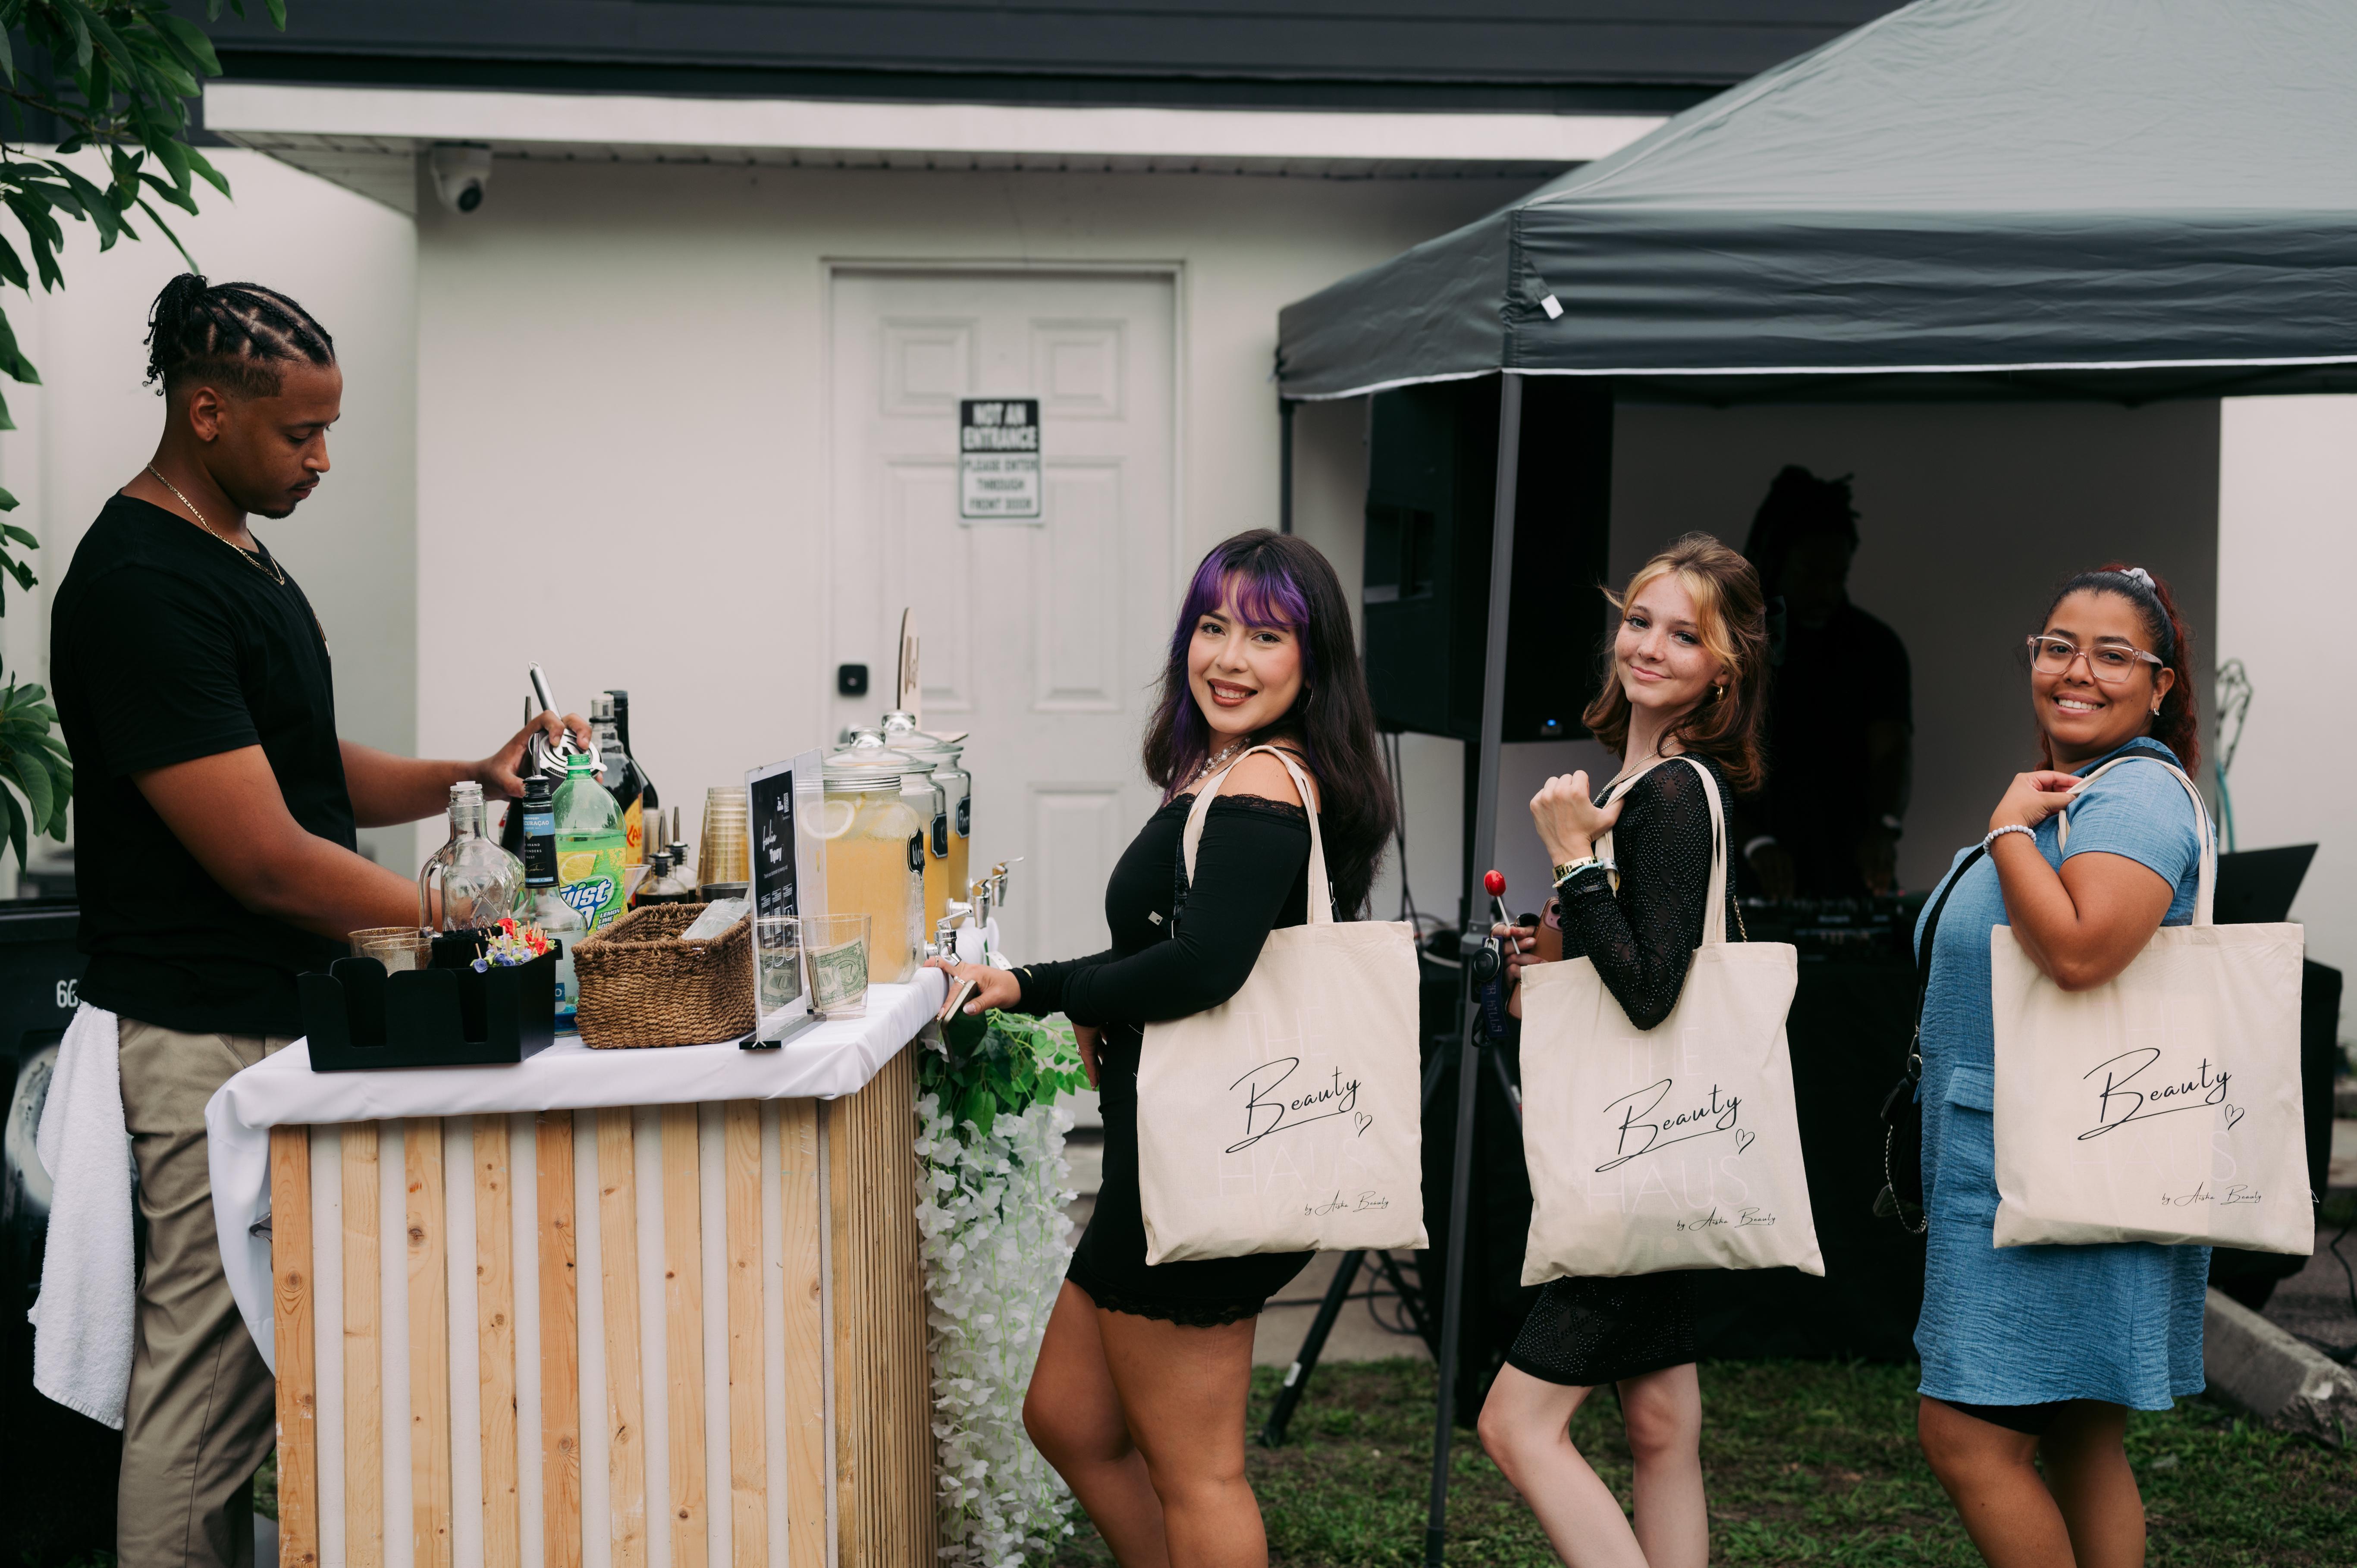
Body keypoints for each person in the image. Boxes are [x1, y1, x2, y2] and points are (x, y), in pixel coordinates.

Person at [49, 274, 584, 1568]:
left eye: (330, 429)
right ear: (208, 412)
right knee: (208, 1389)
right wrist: (477, 921)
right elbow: (269, 862)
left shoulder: (232, 550)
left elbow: (293, 767)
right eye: (302, 432)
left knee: (261, 1370)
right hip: (202, 1035)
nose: (324, 458)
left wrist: (470, 777)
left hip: (274, 1019)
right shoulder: (139, 583)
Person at [926, 530, 1393, 1568]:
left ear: (1311, 660)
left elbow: (1199, 968)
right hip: (1159, 1157)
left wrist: (1066, 995)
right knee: (1068, 1418)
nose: (1227, 658)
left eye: (1264, 636)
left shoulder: (1267, 787)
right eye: (1212, 627)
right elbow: (1162, 949)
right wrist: (1058, 989)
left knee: (1198, 1473)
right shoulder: (1223, 772)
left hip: (1204, 1164)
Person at [1480, 532, 1772, 1568]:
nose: (1647, 646)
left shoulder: (1672, 794)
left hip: (1637, 1163)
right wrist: (1552, 953)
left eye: (1683, 635)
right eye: (1638, 620)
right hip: (1666, 1152)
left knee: (1515, 1427)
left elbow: (1650, 992)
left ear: (1723, 668)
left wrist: (1573, 861)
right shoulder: (1638, 783)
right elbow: (1634, 963)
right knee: (1658, 1424)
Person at [1912, 564, 2206, 1568]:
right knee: (2080, 1433)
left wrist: (2002, 830)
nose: (2075, 670)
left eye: (2111, 654)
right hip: (2034, 1161)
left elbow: (2080, 951)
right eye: (2055, 647)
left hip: (2045, 1169)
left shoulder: (2131, 797)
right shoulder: (2077, 795)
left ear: (2159, 686)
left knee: (1964, 1439)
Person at [1737, 465, 1912, 897]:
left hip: (1847, 871)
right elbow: (1702, 758)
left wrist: (1883, 829)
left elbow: (1891, 751)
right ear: (1775, 562)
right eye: (1811, 574)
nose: (1826, 592)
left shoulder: (1875, 647)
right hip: (1746, 875)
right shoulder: (1732, 649)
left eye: (1837, 577)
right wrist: (1754, 844)